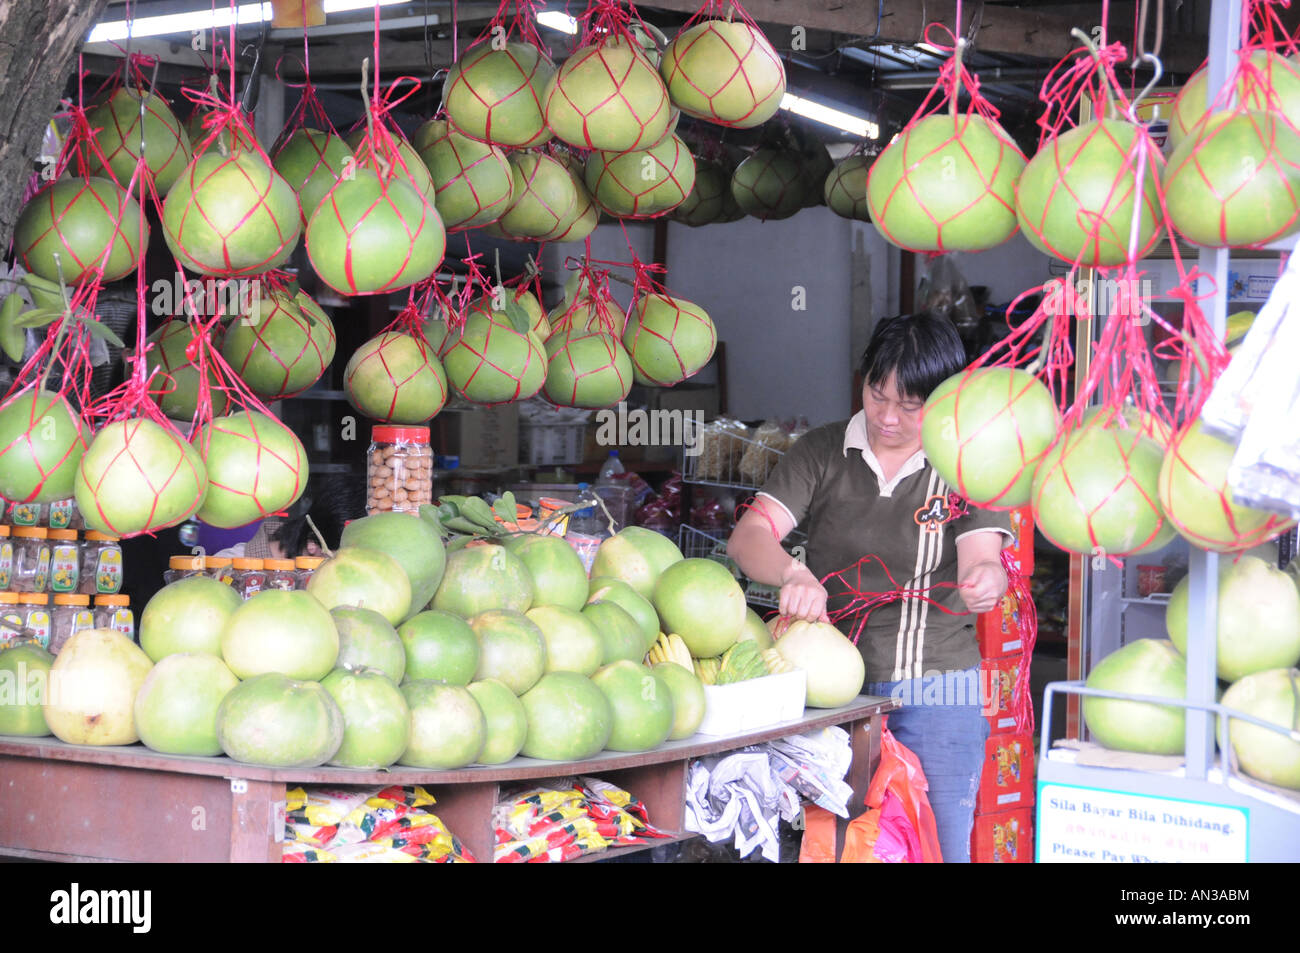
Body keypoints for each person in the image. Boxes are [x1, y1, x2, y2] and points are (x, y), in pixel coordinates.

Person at [726, 313, 1012, 863]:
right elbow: (749, 536)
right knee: (833, 846)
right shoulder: (822, 451)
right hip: (833, 695)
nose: (887, 417)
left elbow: (983, 556)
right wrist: (791, 571)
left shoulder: (966, 461)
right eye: (877, 395)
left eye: (910, 405)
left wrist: (986, 580)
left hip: (939, 691)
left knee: (940, 846)